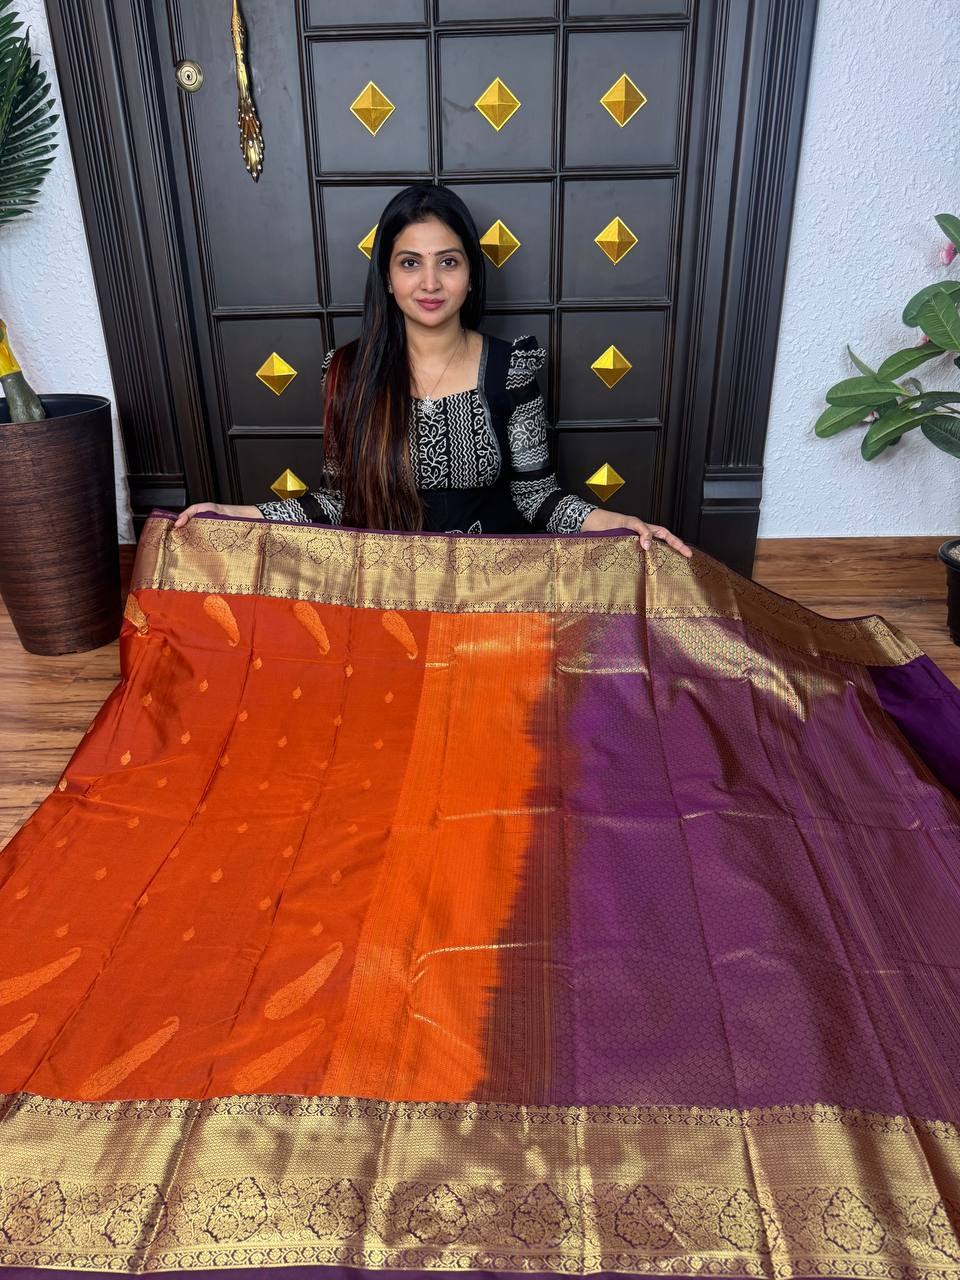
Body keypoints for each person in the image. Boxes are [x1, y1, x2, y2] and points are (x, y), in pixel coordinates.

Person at [175, 184, 691, 556]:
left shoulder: (511, 369)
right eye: (409, 263)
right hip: (390, 592)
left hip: (495, 587)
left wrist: (617, 522)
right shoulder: (348, 372)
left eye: (448, 262)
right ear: (387, 277)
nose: (430, 283)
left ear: (471, 275)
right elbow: (336, 501)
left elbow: (537, 496)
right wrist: (241, 515)